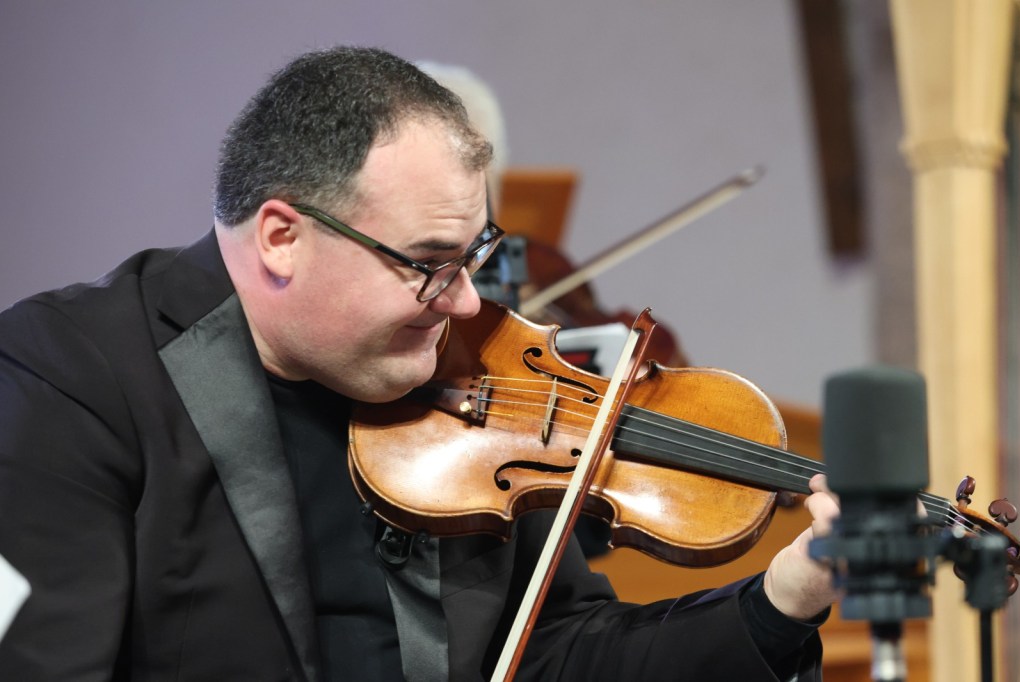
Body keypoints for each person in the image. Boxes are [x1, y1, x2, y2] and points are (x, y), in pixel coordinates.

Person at [0, 45, 838, 681]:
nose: (468, 301)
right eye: (428, 262)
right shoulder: (73, 376)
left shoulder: (478, 378)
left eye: (475, 254)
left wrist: (785, 597)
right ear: (283, 238)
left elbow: (558, 655)